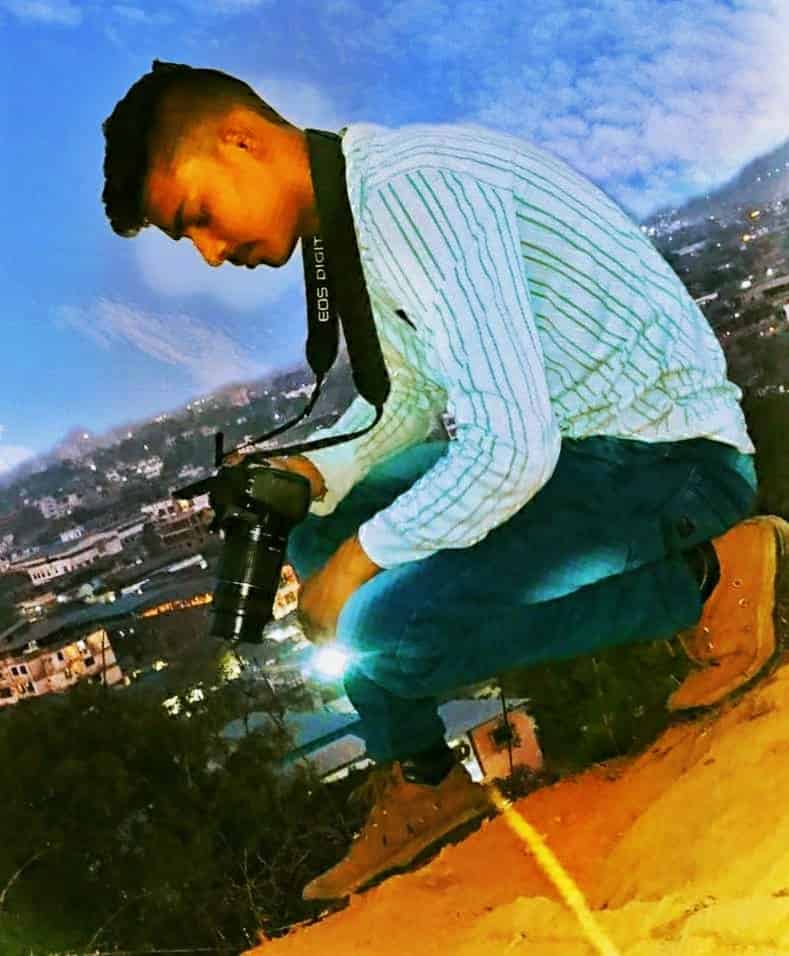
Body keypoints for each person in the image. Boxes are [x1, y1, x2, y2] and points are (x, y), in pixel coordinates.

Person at [102, 61, 788, 902]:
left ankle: (709, 578)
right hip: (582, 454)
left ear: (240, 140)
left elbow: (510, 448)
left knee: (386, 631)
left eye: (198, 217)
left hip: (667, 463)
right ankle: (425, 781)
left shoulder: (409, 194)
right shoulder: (360, 206)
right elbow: (415, 395)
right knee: (314, 518)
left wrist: (359, 561)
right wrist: (315, 469)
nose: (210, 254)